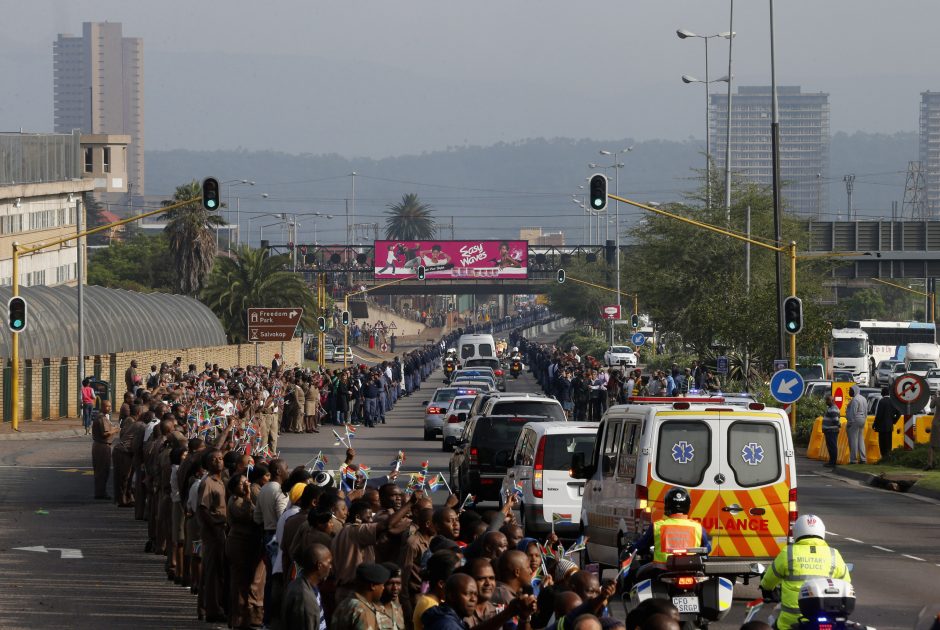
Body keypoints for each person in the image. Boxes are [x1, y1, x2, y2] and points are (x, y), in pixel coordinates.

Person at [759, 514, 851, 630]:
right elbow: (846, 583)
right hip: (826, 619)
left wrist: (766, 588)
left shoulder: (788, 553)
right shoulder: (833, 554)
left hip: (791, 621)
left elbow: (769, 580)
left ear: (796, 532)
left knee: (773, 622)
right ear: (822, 532)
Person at [627, 487, 710, 574]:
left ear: (667, 505)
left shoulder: (657, 526)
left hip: (661, 572)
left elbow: (641, 546)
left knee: (636, 575)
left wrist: (630, 548)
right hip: (691, 572)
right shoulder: (697, 527)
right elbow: (707, 548)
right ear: (688, 506)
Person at [282, 543, 332, 630]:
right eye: (329, 562)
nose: (331, 567)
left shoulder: (308, 586)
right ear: (319, 566)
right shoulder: (304, 599)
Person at [331, 563, 391, 630]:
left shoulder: (345, 603)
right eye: (382, 585)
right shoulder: (363, 611)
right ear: (373, 586)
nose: (383, 588)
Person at [91, 400, 118, 500]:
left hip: (101, 446)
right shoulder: (102, 418)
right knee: (102, 470)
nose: (109, 408)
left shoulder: (103, 417)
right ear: (102, 406)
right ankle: (100, 493)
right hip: (102, 446)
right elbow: (105, 434)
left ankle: (101, 491)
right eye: (107, 407)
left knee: (102, 470)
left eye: (110, 407)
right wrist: (115, 430)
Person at [873, 388, 901, 460]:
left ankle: (883, 458)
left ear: (882, 393)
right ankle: (888, 457)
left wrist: (875, 424)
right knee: (888, 444)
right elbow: (898, 413)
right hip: (889, 426)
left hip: (882, 427)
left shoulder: (882, 401)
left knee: (882, 444)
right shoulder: (892, 401)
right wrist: (893, 421)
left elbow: (879, 415)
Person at [845, 385, 868, 464]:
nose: (849, 392)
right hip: (862, 420)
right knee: (860, 440)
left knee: (853, 440)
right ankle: (863, 458)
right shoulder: (863, 398)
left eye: (851, 390)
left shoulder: (855, 400)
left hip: (855, 420)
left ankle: (853, 459)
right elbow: (865, 411)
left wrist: (850, 423)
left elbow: (853, 412)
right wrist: (864, 419)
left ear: (855, 391)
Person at [822, 394, 842, 468]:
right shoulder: (831, 408)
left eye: (827, 400)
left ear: (832, 401)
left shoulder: (833, 409)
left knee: (832, 446)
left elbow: (835, 419)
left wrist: (838, 425)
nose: (826, 401)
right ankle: (831, 461)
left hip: (832, 430)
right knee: (830, 446)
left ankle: (833, 462)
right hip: (829, 430)